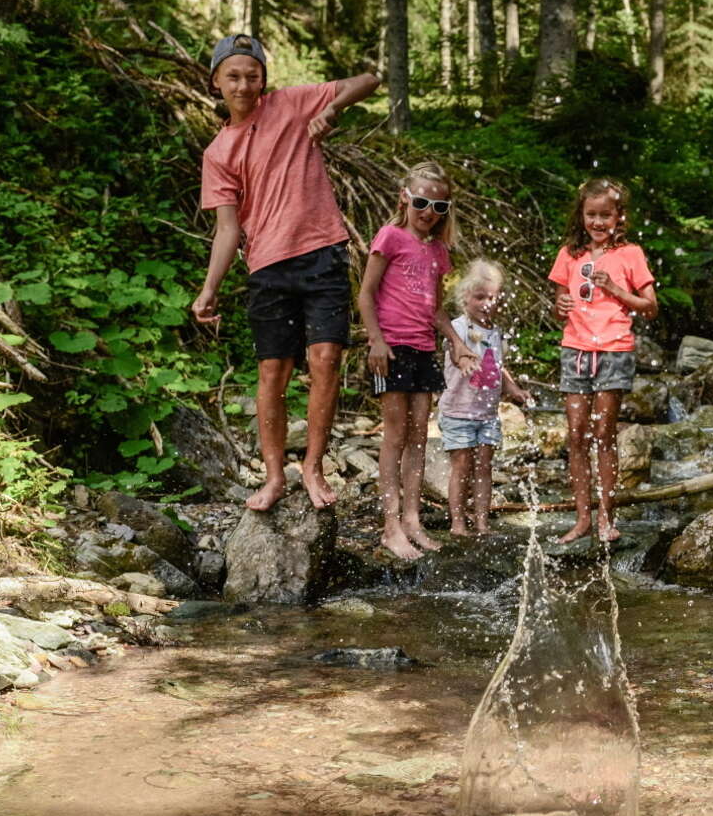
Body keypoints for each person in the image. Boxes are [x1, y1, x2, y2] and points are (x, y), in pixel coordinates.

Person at [190, 33, 380, 512]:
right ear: (216, 82)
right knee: (272, 370)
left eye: (252, 75)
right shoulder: (219, 152)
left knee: (326, 360)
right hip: (267, 266)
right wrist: (209, 288)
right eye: (232, 76)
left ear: (264, 79)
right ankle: (274, 477)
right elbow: (227, 228)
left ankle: (314, 466)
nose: (243, 84)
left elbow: (368, 79)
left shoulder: (290, 105)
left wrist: (332, 110)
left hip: (323, 253)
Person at [358, 162, 479, 560]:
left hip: (424, 349)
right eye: (422, 202)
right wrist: (375, 340)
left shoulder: (437, 250)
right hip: (391, 348)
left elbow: (436, 310)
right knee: (394, 436)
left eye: (439, 206)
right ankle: (390, 525)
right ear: (405, 199)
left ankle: (413, 519)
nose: (429, 212)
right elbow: (366, 294)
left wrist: (457, 344)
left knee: (419, 437)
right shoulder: (390, 237)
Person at [548, 178, 659, 544]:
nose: (598, 222)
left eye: (605, 215)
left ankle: (606, 519)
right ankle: (582, 519)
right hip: (575, 349)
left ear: (619, 216)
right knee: (576, 436)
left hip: (614, 349)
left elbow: (651, 307)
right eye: (591, 215)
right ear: (581, 216)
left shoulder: (631, 253)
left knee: (604, 434)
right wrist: (559, 305)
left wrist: (614, 288)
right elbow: (559, 305)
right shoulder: (569, 253)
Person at [439, 259, 531, 537]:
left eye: (493, 297)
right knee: (461, 467)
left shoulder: (495, 332)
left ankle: (481, 522)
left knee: (484, 468)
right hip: (458, 412)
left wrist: (512, 389)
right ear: (464, 297)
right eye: (480, 297)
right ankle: (457, 523)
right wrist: (463, 359)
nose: (487, 303)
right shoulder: (457, 329)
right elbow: (457, 356)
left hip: (487, 415)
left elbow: (496, 366)